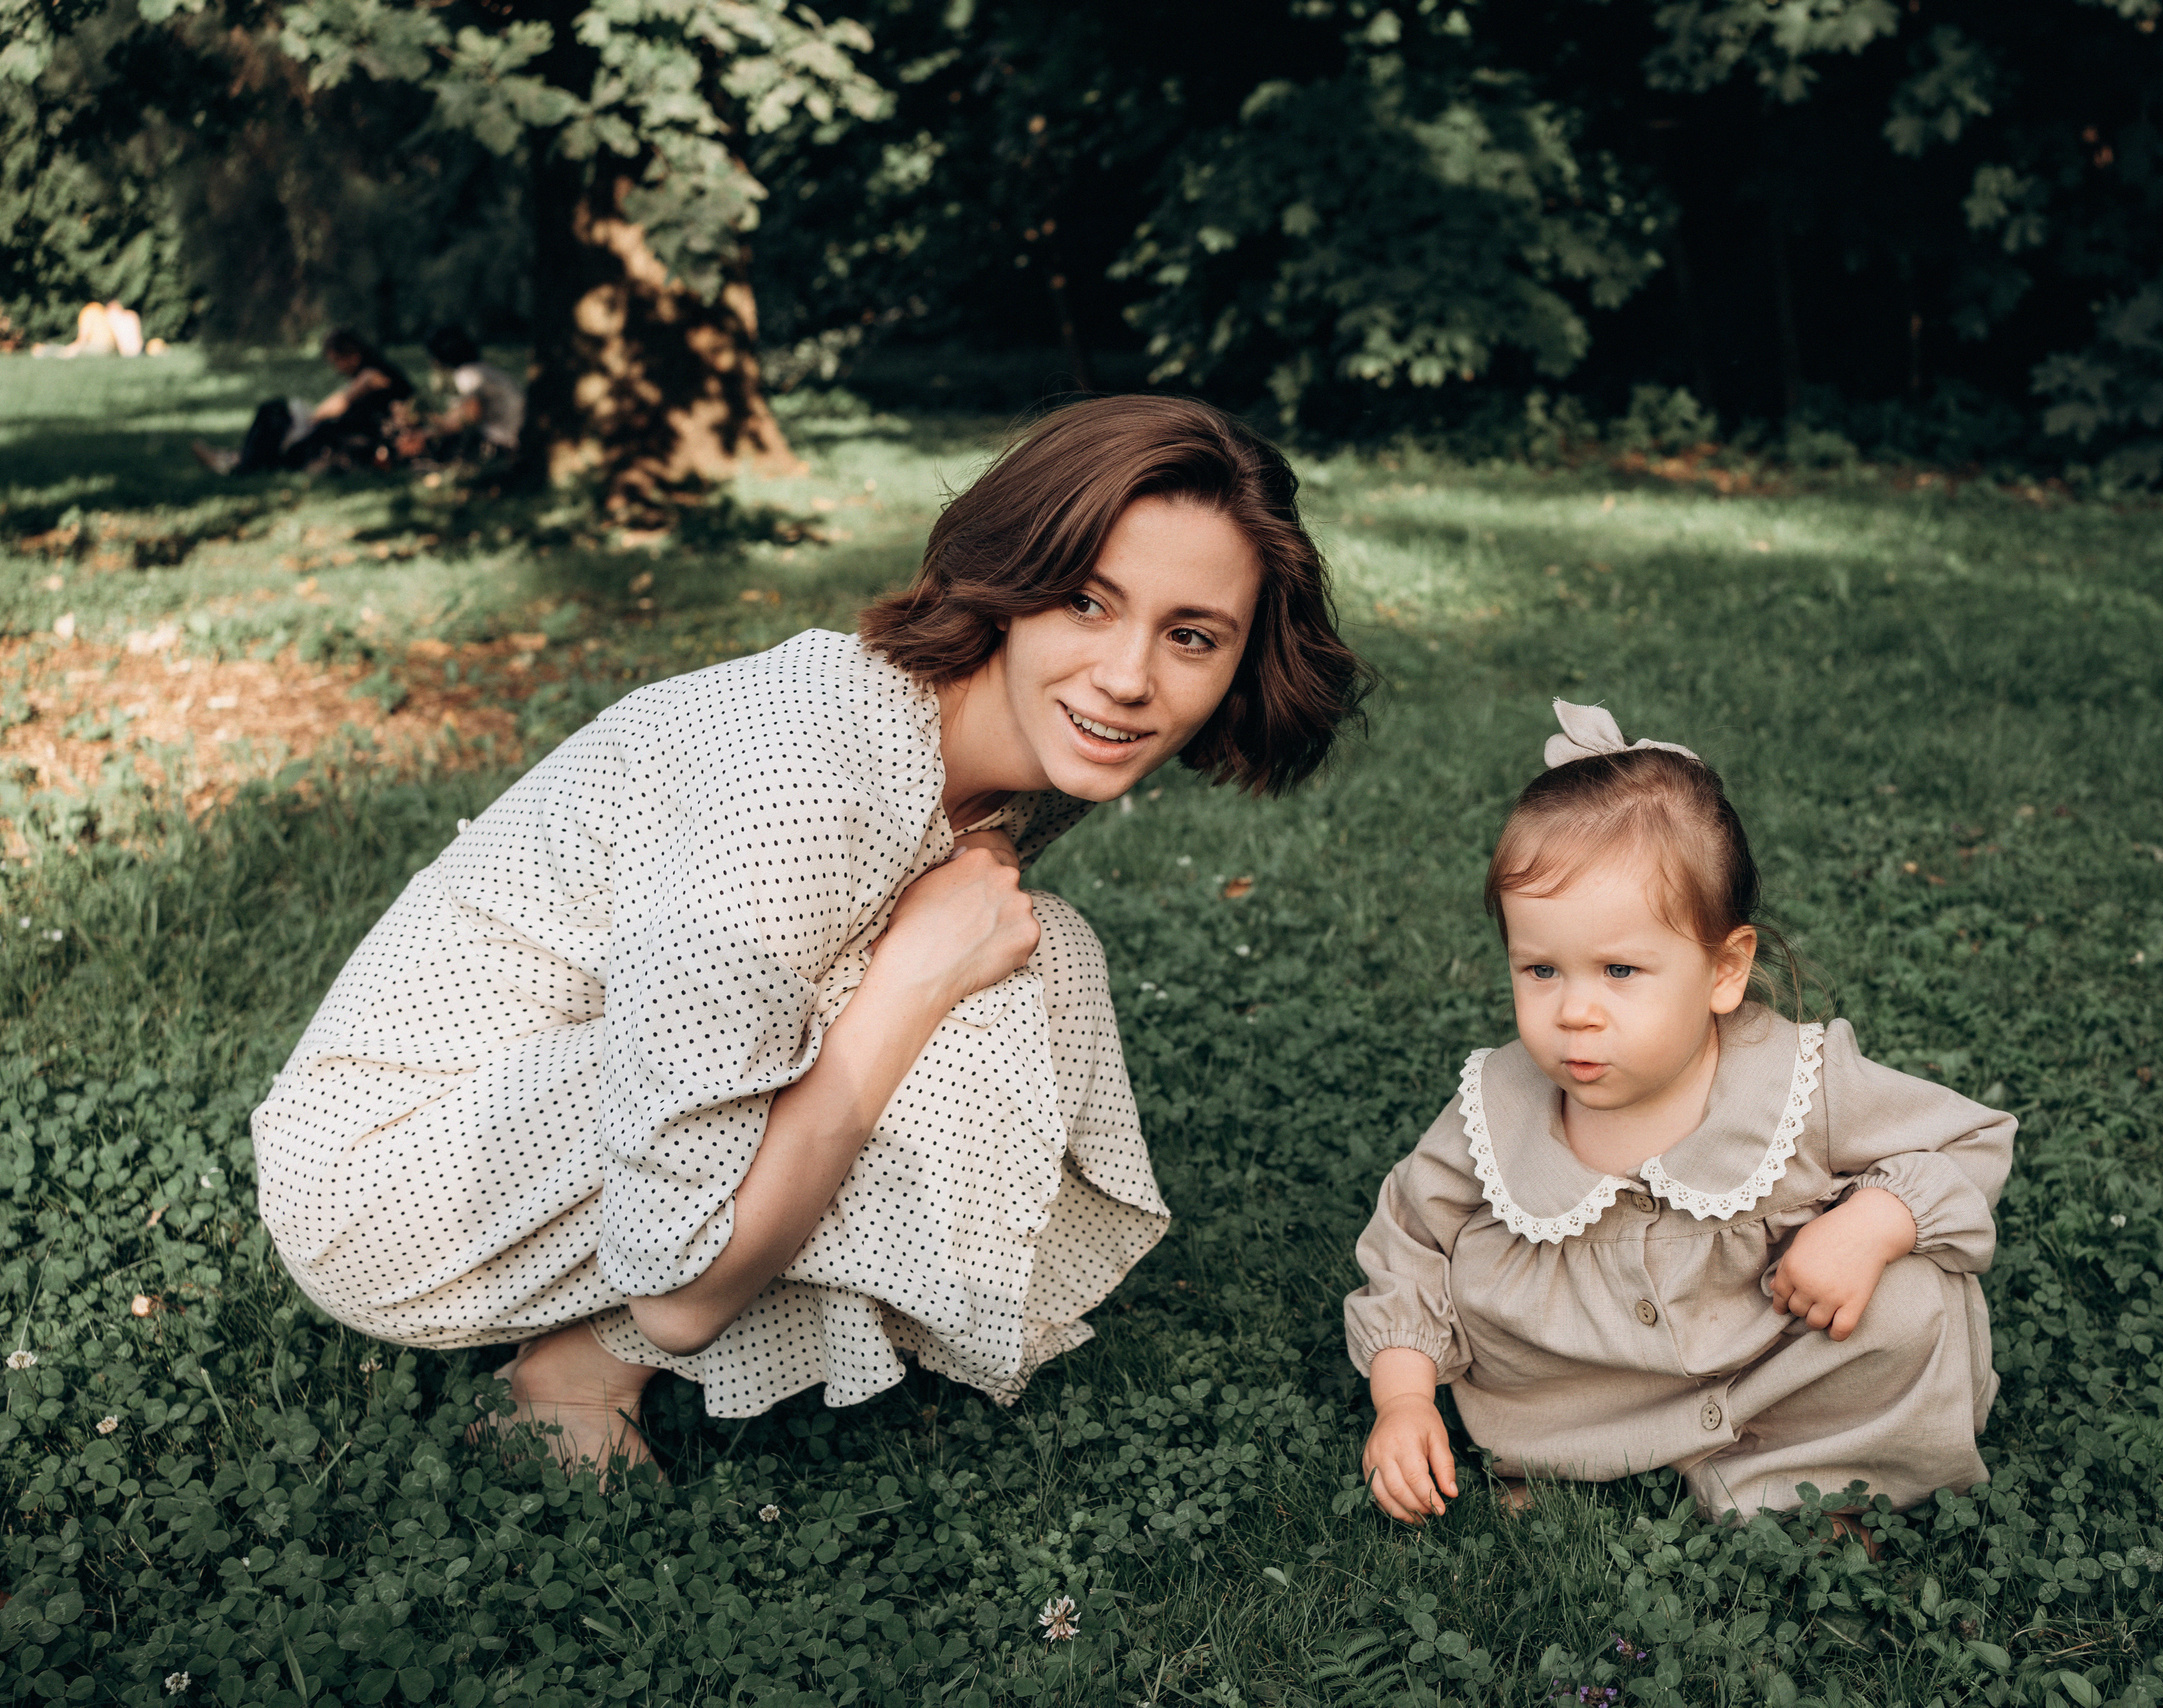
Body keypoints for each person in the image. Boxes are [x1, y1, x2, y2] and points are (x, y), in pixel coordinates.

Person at [251, 395, 1369, 1474]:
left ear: (1239, 661)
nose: (1126, 679)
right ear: (1007, 582)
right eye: (1085, 600)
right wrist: (908, 992)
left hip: (536, 1107)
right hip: (392, 1182)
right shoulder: (805, 787)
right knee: (960, 994)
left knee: (1028, 953)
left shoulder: (1005, 734)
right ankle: (583, 1375)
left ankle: (584, 1358)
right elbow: (677, 1298)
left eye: (1190, 635)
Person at [1347, 700, 2013, 1524]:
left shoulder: (1797, 1079)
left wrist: (1875, 1220)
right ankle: (1578, 1458)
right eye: (1541, 970)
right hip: (1582, 1388)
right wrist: (1404, 1399)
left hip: (1773, 1356)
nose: (1575, 1012)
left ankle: (1796, 1476)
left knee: (1909, 1307)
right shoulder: (1497, 1104)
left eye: (1620, 971)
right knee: (1494, 1313)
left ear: (1726, 971)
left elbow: (1973, 1141)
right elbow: (1410, 1239)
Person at [194, 329, 414, 474]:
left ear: (353, 355)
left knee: (276, 414)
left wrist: (315, 416)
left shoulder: (372, 374)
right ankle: (236, 458)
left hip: (351, 436)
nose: (336, 368)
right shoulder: (374, 372)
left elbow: (344, 400)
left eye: (337, 360)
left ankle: (238, 463)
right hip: (345, 432)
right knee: (275, 415)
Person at [411, 324, 524, 462]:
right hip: (515, 438)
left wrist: (431, 430)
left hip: (502, 444)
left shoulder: (467, 374)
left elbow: (472, 413)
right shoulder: (483, 370)